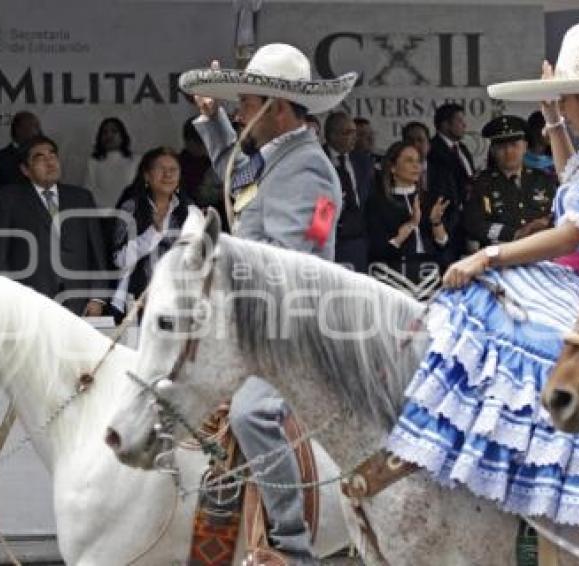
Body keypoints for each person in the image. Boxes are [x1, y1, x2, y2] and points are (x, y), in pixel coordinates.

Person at [386, 22, 579, 545]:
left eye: (563, 97)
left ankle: (532, 495)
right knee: (489, 331)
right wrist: (554, 126)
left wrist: (491, 256)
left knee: (498, 334)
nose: (560, 106)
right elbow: (576, 191)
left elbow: (572, 231)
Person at [180, 43, 356, 564]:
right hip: (261, 317)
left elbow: (292, 260)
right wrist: (214, 125)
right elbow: (239, 181)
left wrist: (219, 261)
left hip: (293, 321)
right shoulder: (273, 158)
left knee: (252, 412)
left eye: (245, 100)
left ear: (277, 107)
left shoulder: (306, 171)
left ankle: (289, 544)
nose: (238, 109)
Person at [0, 135, 109, 317]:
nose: (50, 162)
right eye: (40, 158)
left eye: (52, 156)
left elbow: (97, 253)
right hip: (29, 304)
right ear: (25, 169)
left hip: (78, 303)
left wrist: (97, 299)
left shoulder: (81, 197)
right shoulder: (8, 199)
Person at [110, 147, 191, 323]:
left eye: (173, 170)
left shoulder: (189, 210)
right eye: (161, 169)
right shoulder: (131, 208)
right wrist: (153, 232)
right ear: (146, 175)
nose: (168, 174)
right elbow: (119, 259)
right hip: (136, 302)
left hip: (177, 300)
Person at [463, 115, 556, 251]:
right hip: (501, 254)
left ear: (525, 147)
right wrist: (514, 234)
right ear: (493, 151)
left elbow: (558, 214)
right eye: (502, 147)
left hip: (541, 250)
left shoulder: (543, 179)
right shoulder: (481, 183)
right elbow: (474, 225)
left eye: (514, 145)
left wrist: (544, 224)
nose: (509, 151)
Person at [366, 141, 448, 285]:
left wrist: (436, 222)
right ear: (392, 167)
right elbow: (377, 250)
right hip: (394, 274)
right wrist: (410, 225)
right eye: (409, 161)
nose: (417, 166)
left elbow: (443, 244)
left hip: (430, 273)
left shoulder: (429, 199)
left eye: (418, 161)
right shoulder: (378, 203)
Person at [324, 111, 373, 272]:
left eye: (354, 133)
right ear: (331, 135)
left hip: (359, 240)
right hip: (329, 238)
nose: (353, 138)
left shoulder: (363, 161)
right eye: (347, 133)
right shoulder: (318, 159)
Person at [428, 103, 475, 262]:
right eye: (459, 120)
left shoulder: (462, 149)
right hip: (446, 219)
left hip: (466, 220)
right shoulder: (433, 149)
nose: (464, 125)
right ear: (445, 124)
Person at [83, 117, 136, 210]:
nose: (109, 136)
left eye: (114, 131)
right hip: (101, 215)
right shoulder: (93, 162)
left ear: (122, 136)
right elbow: (88, 192)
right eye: (105, 132)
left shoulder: (136, 161)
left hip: (130, 214)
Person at [0, 111, 42, 188]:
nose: (37, 132)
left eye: (38, 127)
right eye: (34, 126)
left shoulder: (43, 155)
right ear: (18, 129)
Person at [524, 110, 556, 176]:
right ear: (535, 130)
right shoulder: (521, 160)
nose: (551, 133)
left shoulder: (556, 160)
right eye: (547, 129)